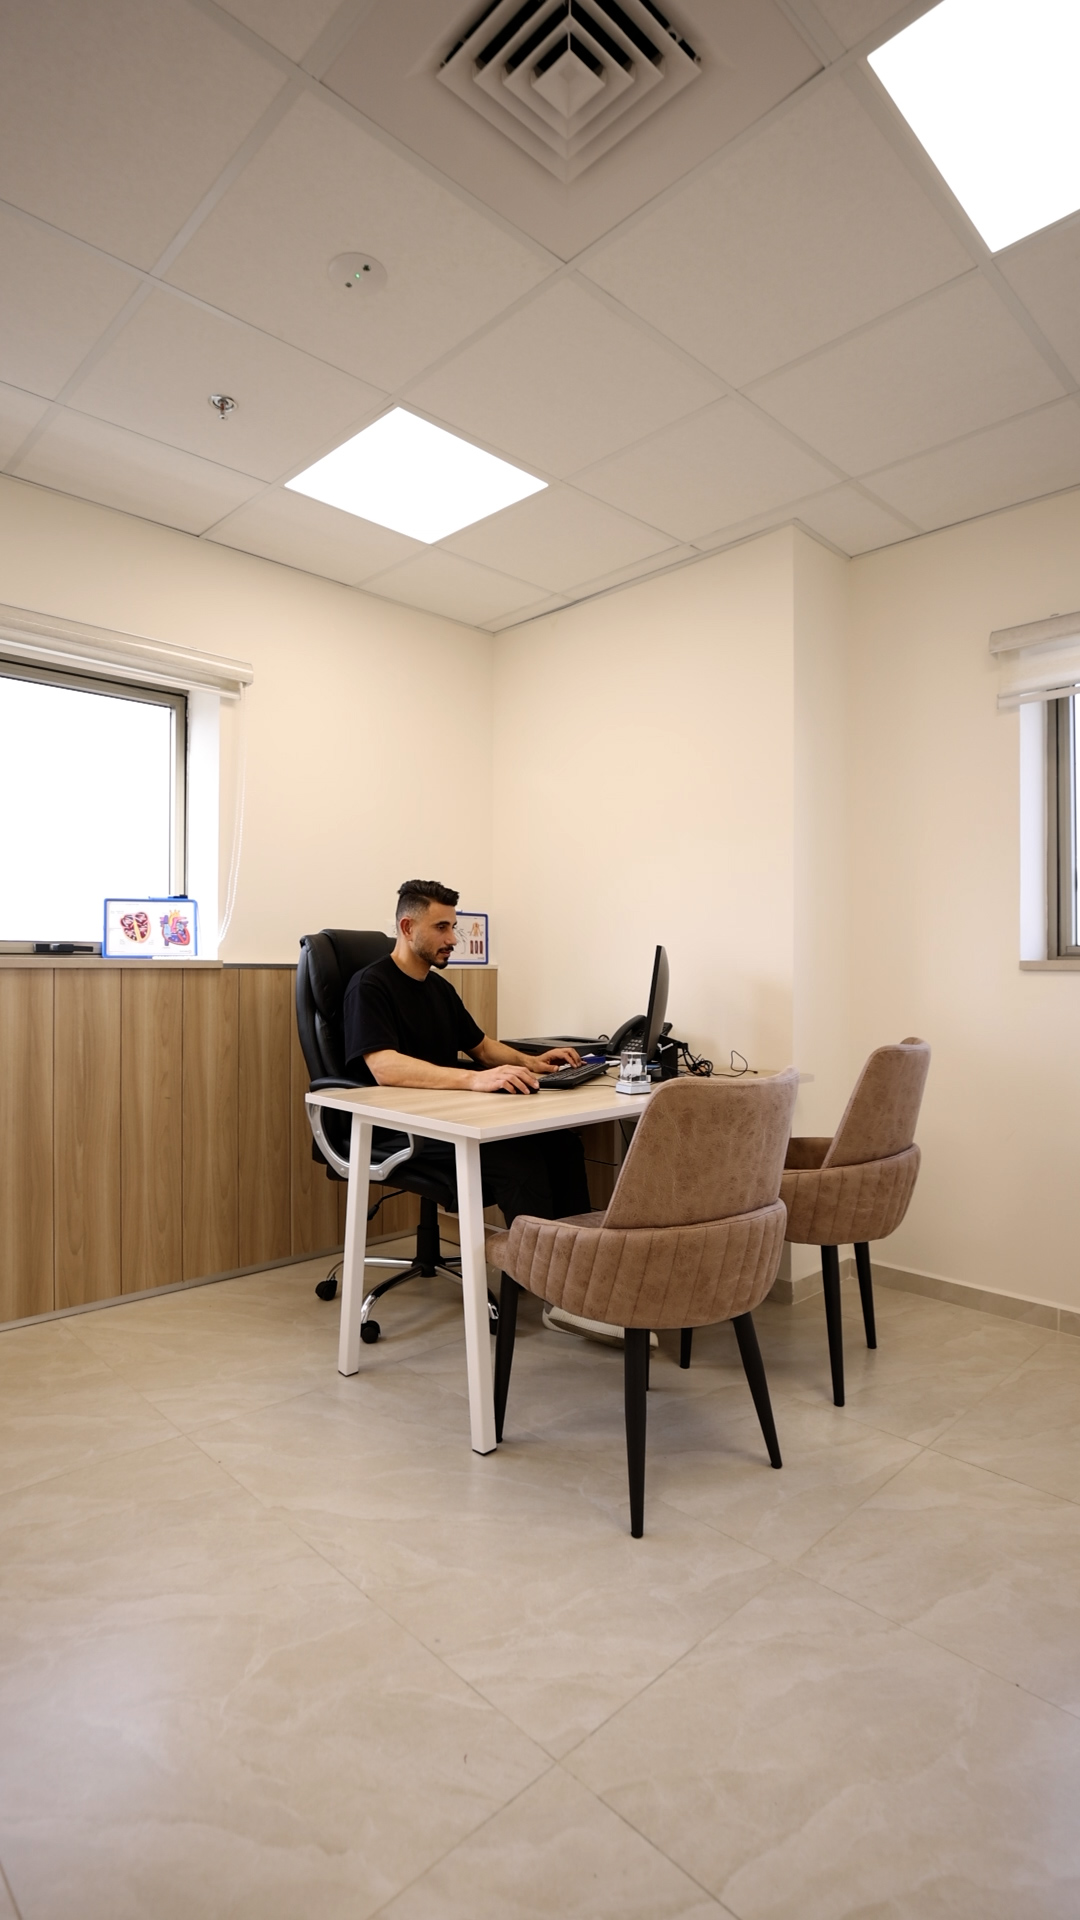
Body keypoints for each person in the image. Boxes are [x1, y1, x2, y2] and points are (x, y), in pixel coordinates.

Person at [343, 879, 592, 1226]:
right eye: (441, 927)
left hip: (449, 1117)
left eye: (453, 927)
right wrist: (474, 1080)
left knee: (562, 1146)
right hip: (400, 1128)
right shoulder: (370, 986)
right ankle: (533, 1262)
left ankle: (574, 1255)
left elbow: (483, 1047)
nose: (452, 939)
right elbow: (385, 1067)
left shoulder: (439, 989)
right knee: (519, 1161)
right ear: (407, 927)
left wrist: (532, 1062)